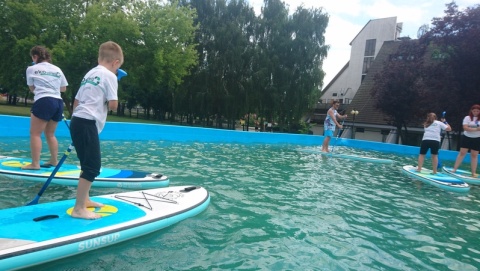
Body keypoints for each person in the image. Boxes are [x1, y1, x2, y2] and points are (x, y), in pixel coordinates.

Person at [70, 41, 124, 219]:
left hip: (78, 120)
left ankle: (84, 200)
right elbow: (114, 106)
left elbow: (77, 101)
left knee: (86, 163)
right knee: (93, 167)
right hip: (86, 123)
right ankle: (78, 209)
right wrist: (114, 91)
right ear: (115, 63)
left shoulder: (89, 74)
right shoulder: (110, 76)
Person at [22, 46, 68, 170]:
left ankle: (35, 164)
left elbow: (32, 88)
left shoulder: (31, 69)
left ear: (35, 57)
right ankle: (54, 161)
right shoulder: (57, 69)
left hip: (44, 100)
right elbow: (63, 88)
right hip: (58, 101)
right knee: (50, 134)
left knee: (35, 133)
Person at [452, 104, 480, 177]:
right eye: (474, 111)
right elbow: (465, 128)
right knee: (462, 153)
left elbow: (469, 128)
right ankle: (454, 169)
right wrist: (476, 129)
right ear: (471, 111)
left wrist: (471, 129)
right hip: (467, 137)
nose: (476, 112)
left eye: (477, 111)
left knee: (474, 155)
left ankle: (473, 172)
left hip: (477, 138)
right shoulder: (467, 118)